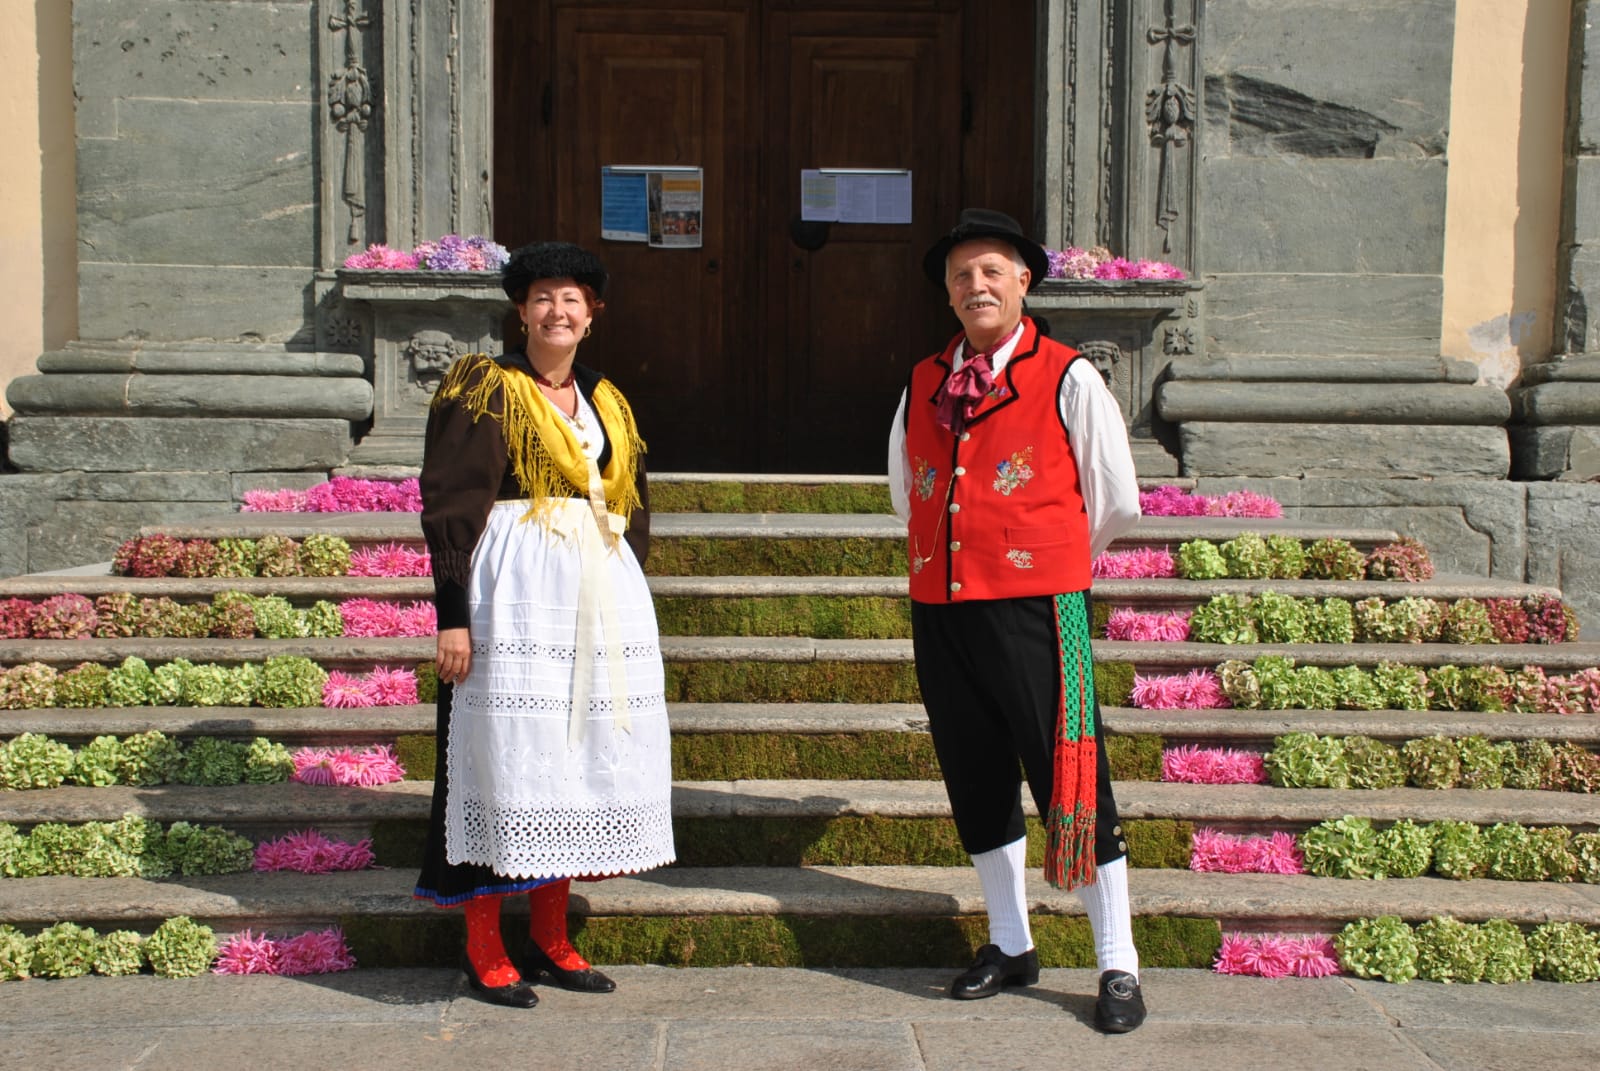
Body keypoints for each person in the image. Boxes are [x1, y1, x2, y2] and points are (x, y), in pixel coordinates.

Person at [887, 208, 1146, 1033]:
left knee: (1069, 773)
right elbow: (906, 488)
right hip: (942, 605)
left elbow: (1113, 499)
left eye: (992, 271)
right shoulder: (923, 377)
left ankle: (1118, 963)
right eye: (962, 276)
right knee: (975, 772)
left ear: (1024, 282)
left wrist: (1044, 558)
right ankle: (1010, 940)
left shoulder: (1069, 375)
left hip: (1038, 605)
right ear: (948, 294)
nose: (976, 287)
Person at [415, 241, 676, 1008]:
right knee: (500, 756)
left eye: (573, 300)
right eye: (542, 298)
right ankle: (484, 942)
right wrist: (454, 616)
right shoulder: (486, 386)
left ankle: (552, 936)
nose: (557, 311)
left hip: (593, 599)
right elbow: (452, 502)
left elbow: (635, 505)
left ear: (592, 316)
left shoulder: (606, 398)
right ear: (521, 311)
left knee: (568, 758)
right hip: (512, 592)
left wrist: (631, 589)